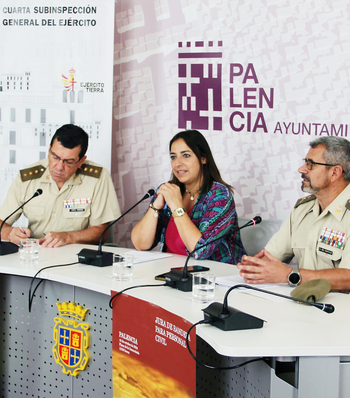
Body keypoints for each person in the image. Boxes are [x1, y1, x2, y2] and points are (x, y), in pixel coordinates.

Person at [238, 136, 350, 290]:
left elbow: (348, 278)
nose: (302, 169)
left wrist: (290, 275)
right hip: (302, 304)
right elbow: (271, 255)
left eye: (310, 164)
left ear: (335, 172)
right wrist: (254, 267)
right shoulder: (302, 209)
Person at [131, 130, 246, 264]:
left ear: (203, 158)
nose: (177, 163)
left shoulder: (219, 195)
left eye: (186, 155)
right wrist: (155, 206)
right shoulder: (169, 190)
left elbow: (200, 250)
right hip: (171, 275)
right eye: (173, 157)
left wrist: (176, 206)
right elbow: (141, 244)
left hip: (211, 278)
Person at [0, 124, 120, 248]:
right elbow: (1, 223)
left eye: (68, 162)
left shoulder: (97, 178)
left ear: (81, 161)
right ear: (49, 150)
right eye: (55, 157)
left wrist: (67, 237)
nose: (58, 167)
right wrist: (10, 234)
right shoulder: (27, 178)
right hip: (35, 255)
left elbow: (101, 231)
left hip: (77, 257)